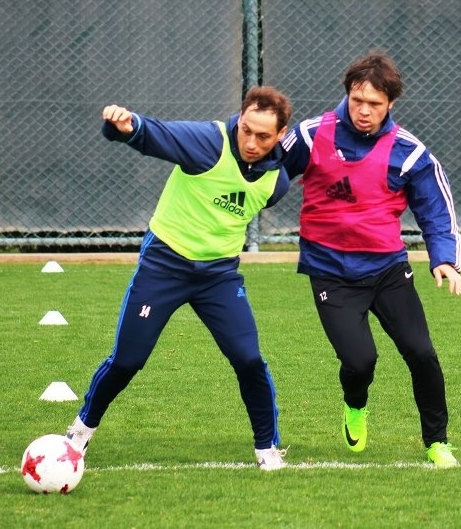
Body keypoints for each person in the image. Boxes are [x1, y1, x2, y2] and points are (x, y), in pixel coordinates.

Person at [65, 86, 293, 471]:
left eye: (263, 136)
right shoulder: (208, 142)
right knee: (128, 360)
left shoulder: (277, 182)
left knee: (249, 359)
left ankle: (267, 449)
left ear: (281, 134)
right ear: (239, 118)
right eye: (246, 130)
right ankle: (82, 429)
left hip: (219, 276)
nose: (251, 142)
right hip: (164, 265)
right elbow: (153, 134)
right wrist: (125, 125)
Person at [282, 51, 461, 468]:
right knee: (360, 361)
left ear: (391, 103)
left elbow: (436, 208)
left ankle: (437, 442)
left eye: (374, 103)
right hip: (330, 272)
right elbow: (268, 171)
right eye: (357, 100)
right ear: (347, 94)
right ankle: (355, 406)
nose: (364, 110)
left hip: (387, 271)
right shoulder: (311, 135)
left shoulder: (409, 152)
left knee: (421, 353)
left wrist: (445, 258)